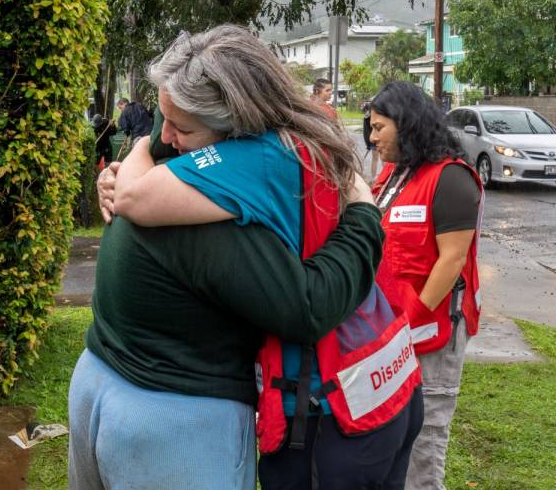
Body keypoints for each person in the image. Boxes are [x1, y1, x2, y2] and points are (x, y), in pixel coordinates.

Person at [102, 25, 423, 490]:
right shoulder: (293, 137)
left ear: (235, 123)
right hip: (377, 383)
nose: (165, 139)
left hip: (331, 412)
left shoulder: (254, 159)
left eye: (182, 128)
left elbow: (133, 195)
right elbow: (163, 137)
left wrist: (365, 214)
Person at [368, 81, 483, 490]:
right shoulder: (396, 175)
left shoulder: (451, 179)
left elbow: (452, 259)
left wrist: (411, 319)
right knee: (393, 433)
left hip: (432, 331)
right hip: (392, 331)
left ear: (407, 124)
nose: (372, 136)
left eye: (380, 127)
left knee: (425, 442)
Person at [362, 99, 380, 181]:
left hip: (374, 140)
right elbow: (367, 132)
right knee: (376, 158)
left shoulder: (369, 116)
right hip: (374, 140)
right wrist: (369, 144)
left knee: (377, 158)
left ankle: (377, 176)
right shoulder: (369, 118)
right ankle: (373, 177)